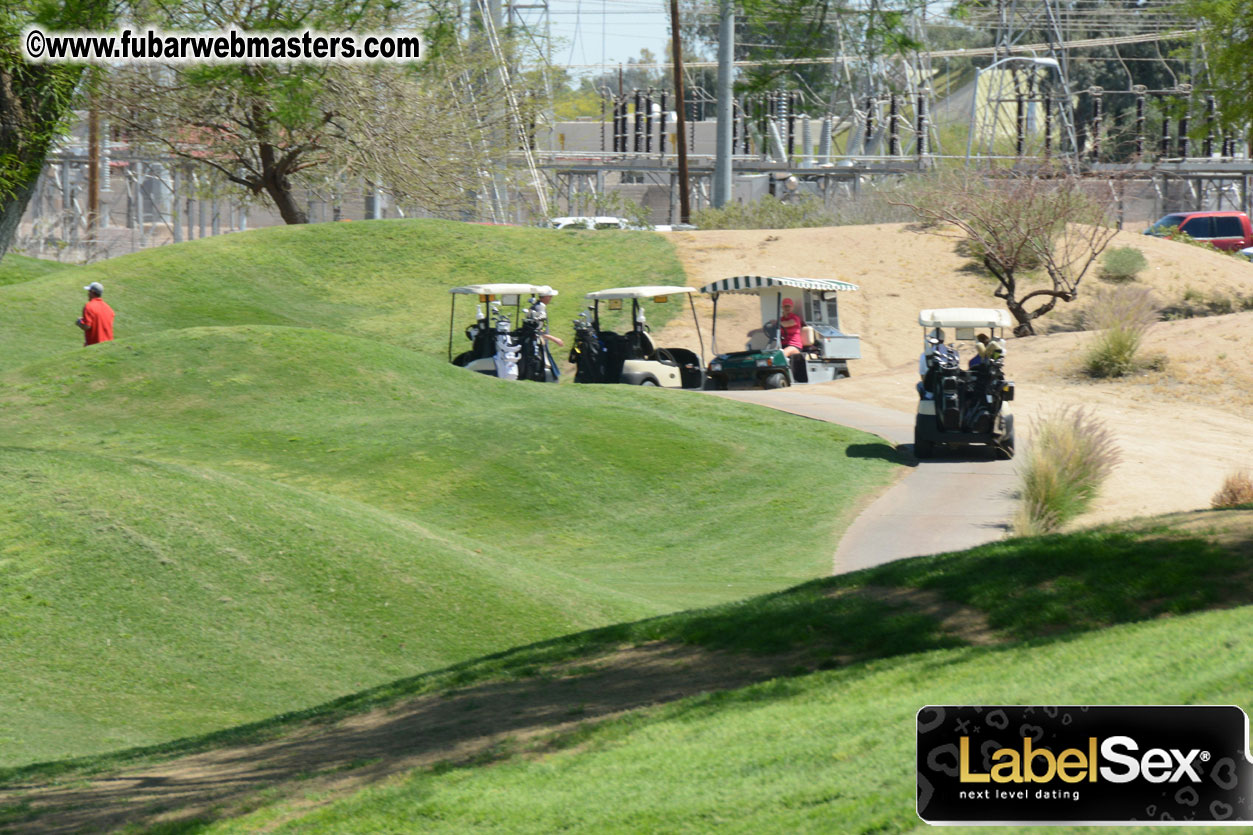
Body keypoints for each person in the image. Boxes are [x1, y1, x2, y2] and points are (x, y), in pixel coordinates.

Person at [76, 282, 114, 346]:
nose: (88, 293)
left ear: (92, 292)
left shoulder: (89, 306)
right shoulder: (109, 308)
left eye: (89, 291)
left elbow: (86, 326)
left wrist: (79, 322)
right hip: (109, 345)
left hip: (94, 344)